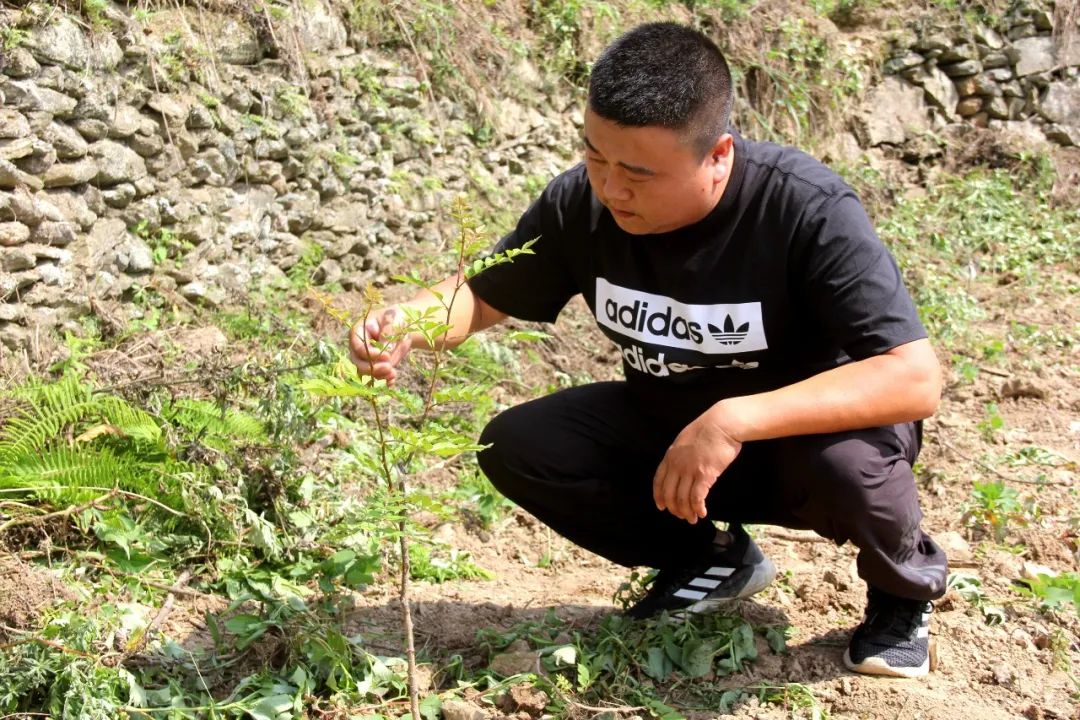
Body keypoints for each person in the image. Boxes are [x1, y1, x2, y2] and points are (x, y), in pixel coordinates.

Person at [348, 22, 947, 679]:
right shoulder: (583, 205)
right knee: (520, 444)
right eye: (595, 158)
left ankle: (901, 594)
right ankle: (709, 558)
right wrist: (410, 320)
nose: (611, 188)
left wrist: (734, 419)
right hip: (671, 430)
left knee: (852, 469)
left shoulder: (802, 208)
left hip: (806, 440)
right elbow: (487, 296)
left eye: (637, 173)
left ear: (718, 155)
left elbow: (914, 379)